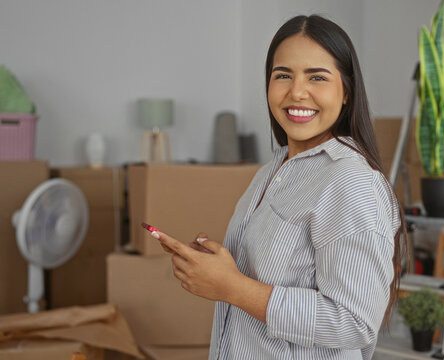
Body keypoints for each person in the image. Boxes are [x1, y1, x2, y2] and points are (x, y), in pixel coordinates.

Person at [152, 14, 407, 359]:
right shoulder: (273, 169)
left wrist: (232, 287)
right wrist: (219, 265)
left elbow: (355, 321)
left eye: (317, 77)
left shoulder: (351, 181)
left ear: (346, 92)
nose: (296, 92)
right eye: (282, 75)